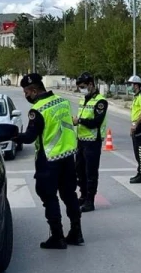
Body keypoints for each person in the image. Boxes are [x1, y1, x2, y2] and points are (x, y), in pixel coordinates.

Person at [16, 73, 83, 249]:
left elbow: (30, 138)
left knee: (48, 196)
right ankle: (76, 232)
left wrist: (13, 136)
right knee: (69, 195)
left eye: (26, 92)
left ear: (34, 90)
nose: (26, 96)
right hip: (68, 156)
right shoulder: (62, 101)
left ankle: (57, 236)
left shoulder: (37, 110)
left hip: (49, 160)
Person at [74, 72, 109, 211]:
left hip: (93, 142)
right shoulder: (83, 99)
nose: (81, 89)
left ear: (90, 84)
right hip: (81, 141)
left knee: (91, 172)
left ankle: (90, 201)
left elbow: (96, 122)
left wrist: (79, 121)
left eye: (83, 86)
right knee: (79, 171)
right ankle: (82, 196)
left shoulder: (101, 101)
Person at [127, 74, 141, 184]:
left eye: (131, 84)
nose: (130, 86)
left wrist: (136, 125)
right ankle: (139, 172)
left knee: (140, 151)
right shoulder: (136, 97)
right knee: (136, 151)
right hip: (136, 125)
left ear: (136, 85)